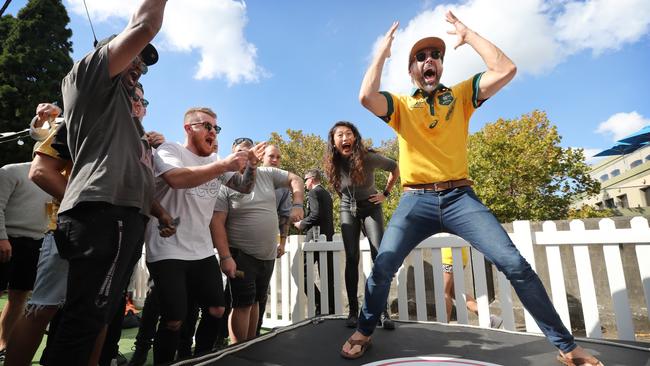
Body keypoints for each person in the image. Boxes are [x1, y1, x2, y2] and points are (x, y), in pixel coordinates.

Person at [340, 11, 603, 366]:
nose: (429, 60)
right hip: (415, 199)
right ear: (412, 71)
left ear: (441, 67)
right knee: (383, 265)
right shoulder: (402, 106)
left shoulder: (461, 96)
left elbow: (506, 69)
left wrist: (469, 34)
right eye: (420, 57)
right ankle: (364, 331)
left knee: (515, 264)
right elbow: (365, 96)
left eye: (435, 56)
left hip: (460, 197)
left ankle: (567, 347)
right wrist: (381, 54)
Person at [48, 1, 171, 364]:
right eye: (133, 57)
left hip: (124, 215)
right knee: (84, 319)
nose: (140, 68)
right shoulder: (87, 76)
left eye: (144, 67)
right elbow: (145, 25)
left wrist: (159, 212)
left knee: (96, 315)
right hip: (103, 212)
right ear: (108, 53)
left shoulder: (127, 114)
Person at [144, 107, 261, 364]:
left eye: (216, 128)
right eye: (206, 126)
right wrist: (223, 164)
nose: (212, 132)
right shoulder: (171, 150)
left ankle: (201, 360)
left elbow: (244, 186)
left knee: (217, 309)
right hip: (167, 247)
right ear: (188, 128)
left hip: (201, 250)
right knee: (174, 318)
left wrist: (250, 165)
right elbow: (177, 179)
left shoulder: (214, 161)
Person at [213, 137, 304, 344]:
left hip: (267, 255)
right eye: (241, 152)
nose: (246, 156)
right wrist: (225, 256)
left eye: (250, 152)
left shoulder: (268, 173)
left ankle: (251, 346)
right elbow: (217, 222)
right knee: (242, 305)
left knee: (255, 303)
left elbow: (296, 179)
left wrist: (298, 204)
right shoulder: (226, 182)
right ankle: (238, 351)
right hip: (241, 255)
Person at [323, 121, 399, 329]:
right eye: (340, 135)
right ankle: (353, 312)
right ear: (333, 141)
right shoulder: (333, 162)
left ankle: (382, 312)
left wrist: (385, 194)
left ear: (355, 138)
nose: (345, 138)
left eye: (349, 134)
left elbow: (395, 167)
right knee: (351, 257)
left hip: (371, 207)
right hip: (348, 208)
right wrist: (348, 203)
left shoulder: (369, 158)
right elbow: (339, 187)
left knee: (379, 256)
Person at [0, 162, 50, 359]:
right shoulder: (11, 171)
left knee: (19, 296)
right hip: (7, 239)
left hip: (36, 243)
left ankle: (3, 344)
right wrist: (1, 237)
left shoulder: (57, 177)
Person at [254, 144, 295, 335]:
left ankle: (254, 336)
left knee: (261, 295)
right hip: (240, 246)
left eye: (279, 157)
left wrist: (282, 243)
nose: (276, 160)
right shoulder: (249, 176)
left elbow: (285, 216)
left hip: (268, 246)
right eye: (272, 156)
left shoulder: (283, 186)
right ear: (262, 156)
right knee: (238, 298)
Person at [293, 169, 335, 315]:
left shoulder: (313, 193)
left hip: (315, 238)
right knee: (327, 275)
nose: (304, 184)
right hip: (327, 237)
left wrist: (301, 224)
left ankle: (320, 304)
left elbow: (316, 214)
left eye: (305, 180)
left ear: (311, 179)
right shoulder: (326, 194)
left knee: (301, 272)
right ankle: (331, 308)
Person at [440, 247, 502, 328]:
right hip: (459, 256)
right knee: (456, 292)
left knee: (444, 292)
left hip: (448, 257)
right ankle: (488, 317)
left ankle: (444, 326)